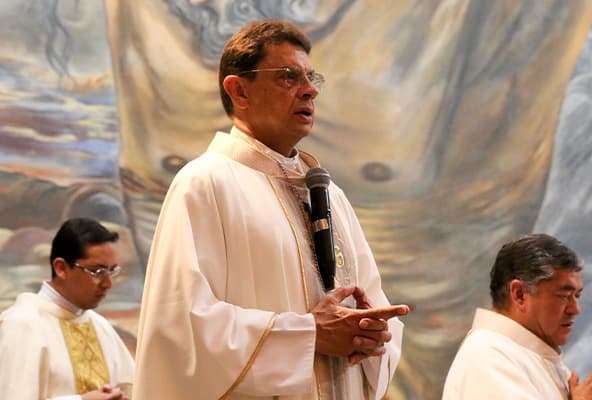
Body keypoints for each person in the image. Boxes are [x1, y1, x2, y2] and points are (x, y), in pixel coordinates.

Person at [133, 18, 409, 400]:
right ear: (239, 91)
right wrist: (309, 335)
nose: (310, 90)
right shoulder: (205, 183)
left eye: (311, 77)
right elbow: (181, 328)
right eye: (288, 77)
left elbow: (373, 304)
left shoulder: (330, 195)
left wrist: (371, 332)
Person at [442, 233, 592, 399]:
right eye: (564, 296)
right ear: (519, 294)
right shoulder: (488, 356)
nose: (575, 309)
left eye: (577, 296)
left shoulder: (528, 354)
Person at [0, 218, 135, 400]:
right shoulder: (21, 325)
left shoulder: (100, 325)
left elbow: (131, 389)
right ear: (61, 268)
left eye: (112, 271)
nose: (108, 283)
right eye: (97, 271)